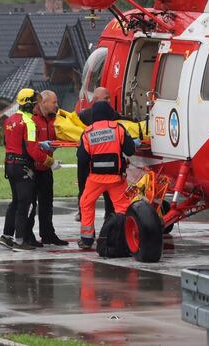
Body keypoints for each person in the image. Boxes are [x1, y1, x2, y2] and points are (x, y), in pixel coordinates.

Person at [77, 101, 138, 249]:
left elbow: (82, 158)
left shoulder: (88, 132)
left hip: (95, 179)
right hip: (116, 178)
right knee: (122, 208)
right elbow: (130, 150)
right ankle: (123, 237)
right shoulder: (118, 129)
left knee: (86, 203)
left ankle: (87, 239)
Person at [0, 88, 54, 252]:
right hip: (24, 167)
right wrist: (49, 160)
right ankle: (20, 240)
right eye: (36, 102)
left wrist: (39, 144)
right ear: (29, 104)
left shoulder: (10, 120)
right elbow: (32, 150)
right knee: (26, 202)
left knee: (15, 201)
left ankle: (7, 236)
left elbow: (8, 143)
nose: (38, 105)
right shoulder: (30, 122)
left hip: (10, 165)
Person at [75, 87, 119, 222]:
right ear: (95, 100)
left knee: (108, 195)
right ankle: (82, 213)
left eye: (109, 98)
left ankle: (109, 217)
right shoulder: (83, 116)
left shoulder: (114, 115)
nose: (109, 101)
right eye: (105, 98)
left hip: (105, 161)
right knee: (84, 190)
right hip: (88, 162)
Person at [33, 90, 68, 246]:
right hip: (32, 169)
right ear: (44, 102)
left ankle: (48, 235)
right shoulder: (32, 119)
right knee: (30, 204)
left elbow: (55, 140)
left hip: (46, 168)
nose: (56, 105)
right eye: (54, 102)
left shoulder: (53, 119)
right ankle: (27, 236)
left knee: (47, 204)